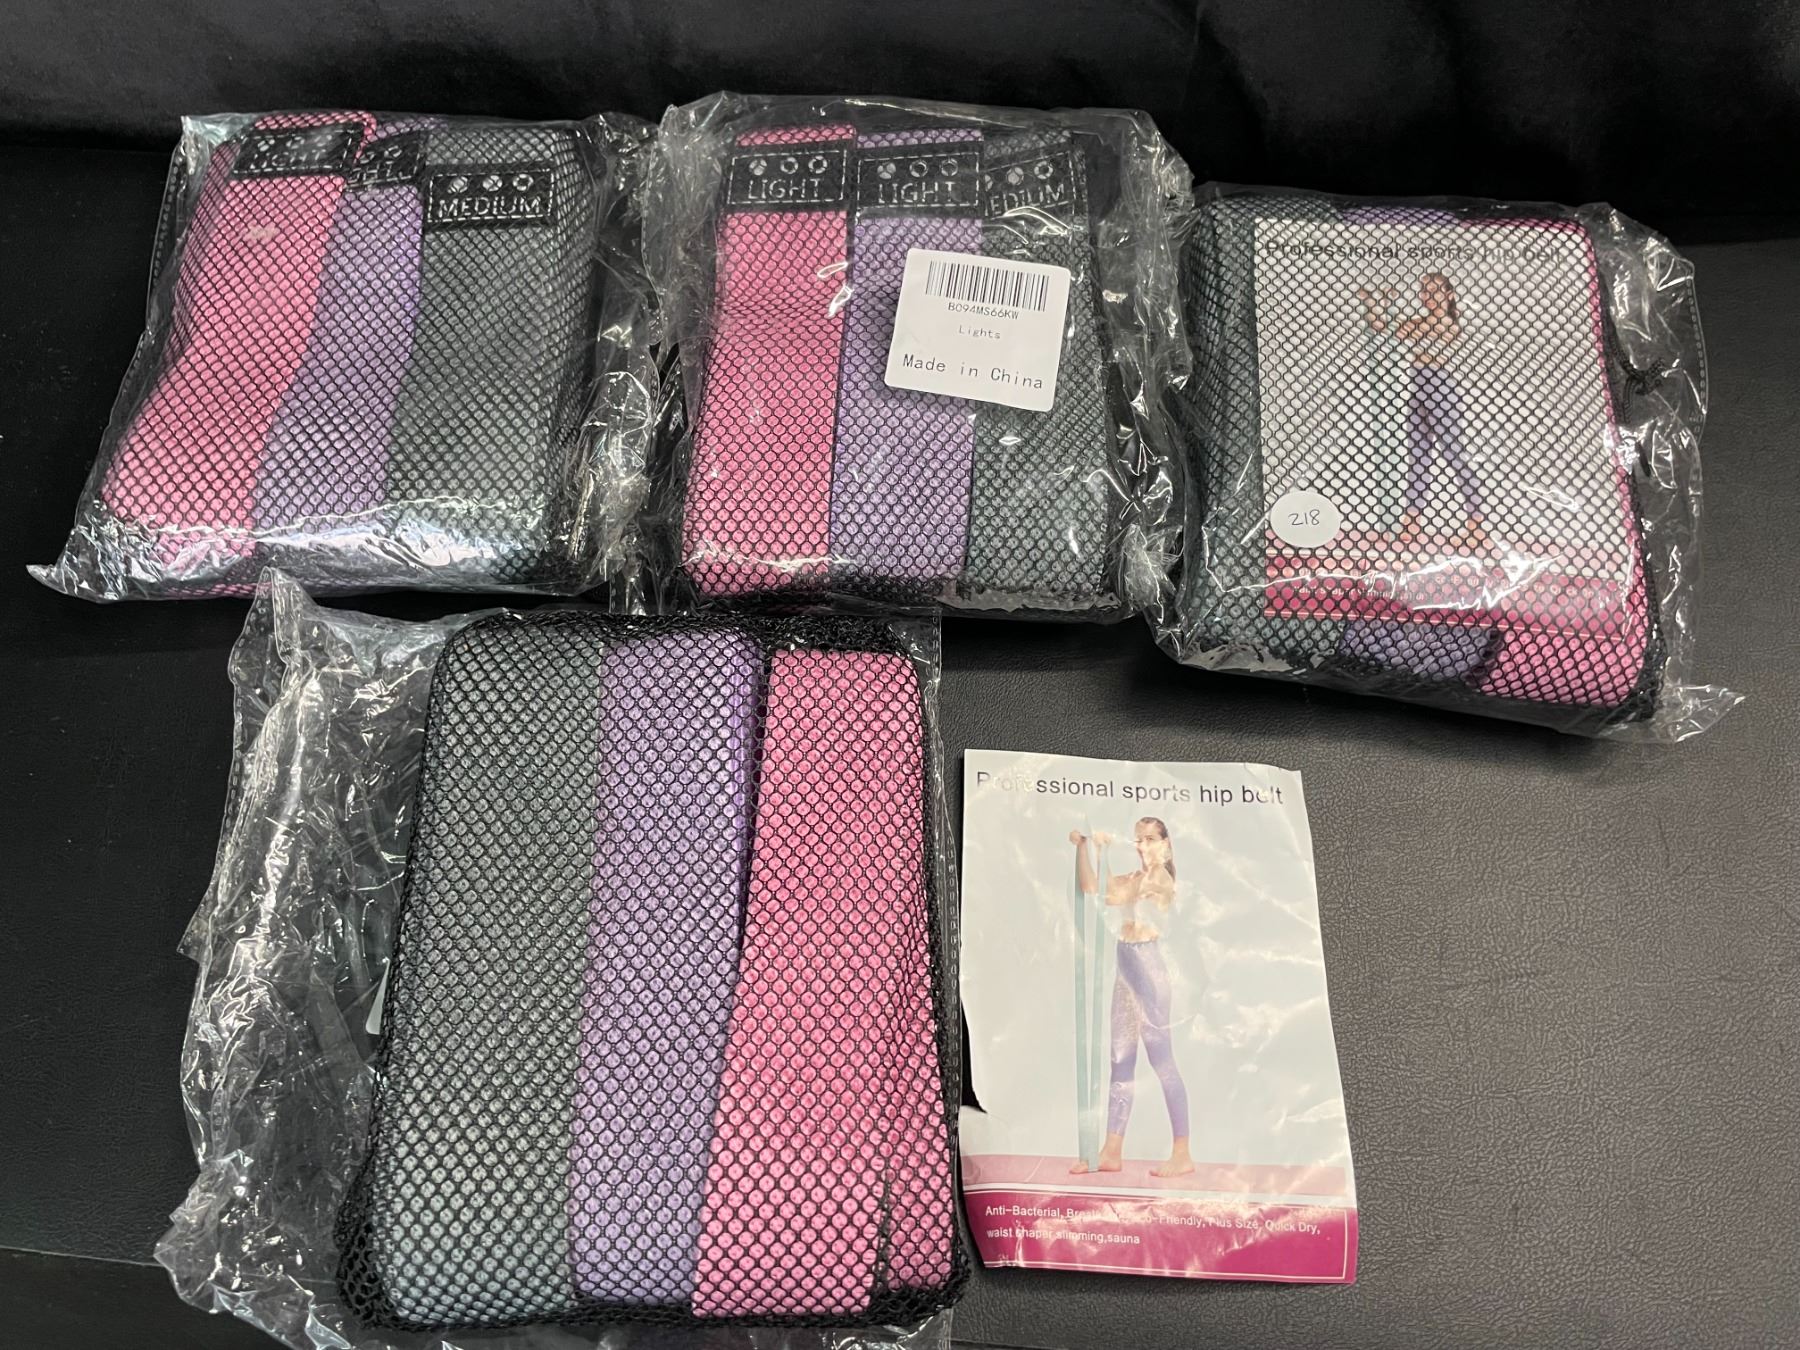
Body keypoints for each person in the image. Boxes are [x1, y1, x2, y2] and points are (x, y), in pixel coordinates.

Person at [1068, 818, 1193, 1177]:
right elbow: (1093, 888)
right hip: (1126, 973)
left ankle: (1182, 1152)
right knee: (1120, 1060)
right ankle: (1111, 1150)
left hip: (1148, 972)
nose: (1142, 846)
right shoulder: (1137, 877)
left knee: (1161, 1060)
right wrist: (1083, 849)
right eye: (1138, 840)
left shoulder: (1160, 879)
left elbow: (1117, 896)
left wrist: (1103, 852)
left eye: (1150, 839)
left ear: (1166, 844)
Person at [1358, 272, 1489, 550]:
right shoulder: (1422, 321)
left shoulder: (1447, 322)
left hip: (1439, 389)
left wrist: (1390, 312)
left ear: (1449, 295)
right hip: (1418, 386)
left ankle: (1477, 524)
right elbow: (1383, 327)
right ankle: (1412, 522)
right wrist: (1372, 303)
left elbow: (1402, 329)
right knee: (1418, 455)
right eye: (1424, 291)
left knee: (1454, 455)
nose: (1427, 296)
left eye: (1434, 291)